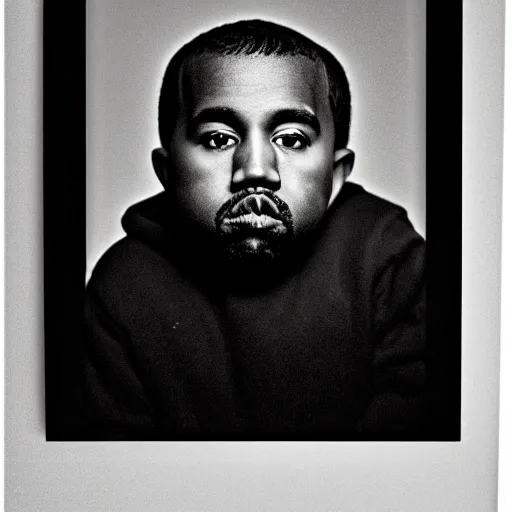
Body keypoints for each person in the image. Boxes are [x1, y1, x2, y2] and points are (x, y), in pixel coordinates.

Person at [82, 19, 427, 440]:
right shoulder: (123, 286)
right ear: (168, 173)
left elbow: (415, 451)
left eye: (292, 139)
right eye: (218, 139)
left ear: (335, 176)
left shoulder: (386, 257)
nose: (257, 170)